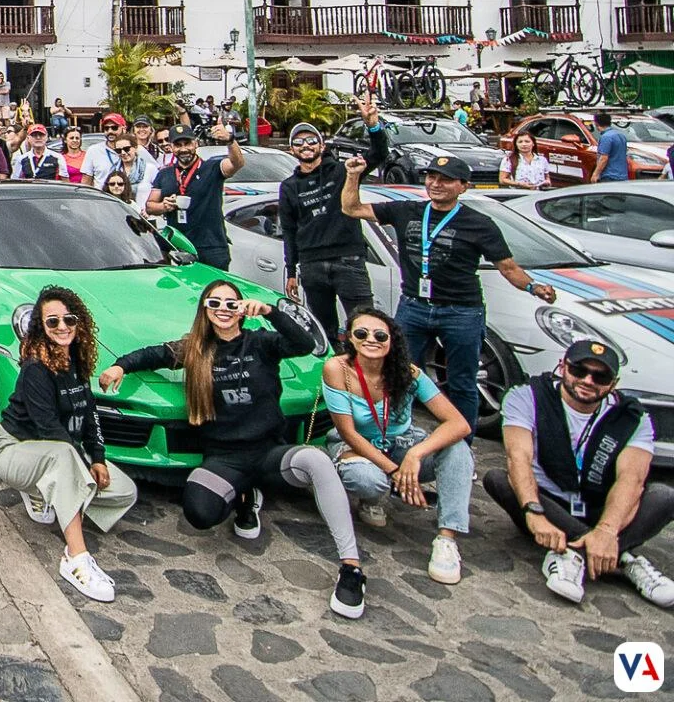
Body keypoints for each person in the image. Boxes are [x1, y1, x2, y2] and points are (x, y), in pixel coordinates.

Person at [99, 281, 366, 618]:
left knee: (316, 459)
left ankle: (351, 567)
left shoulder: (261, 343)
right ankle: (244, 497)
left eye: (230, 303)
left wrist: (271, 312)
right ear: (205, 310)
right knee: (199, 513)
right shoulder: (196, 349)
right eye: (215, 303)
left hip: (270, 451)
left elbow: (303, 343)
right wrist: (119, 366)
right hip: (225, 458)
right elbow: (153, 354)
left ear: (241, 308)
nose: (223, 309)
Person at [340, 153, 557, 432]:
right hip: (414, 306)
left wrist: (533, 286)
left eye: (446, 180)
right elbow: (351, 208)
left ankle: (461, 447)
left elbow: (508, 267)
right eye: (432, 177)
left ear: (463, 186)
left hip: (461, 311)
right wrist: (353, 175)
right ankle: (397, 436)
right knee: (399, 375)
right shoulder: (407, 210)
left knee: (462, 383)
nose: (436, 184)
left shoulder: (479, 224)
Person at [485, 338, 674, 608]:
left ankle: (571, 555)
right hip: (548, 504)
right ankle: (624, 559)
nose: (588, 380)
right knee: (499, 480)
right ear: (563, 367)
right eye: (579, 370)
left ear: (613, 383)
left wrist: (607, 531)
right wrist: (533, 511)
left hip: (602, 508)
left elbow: (631, 479)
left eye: (600, 376)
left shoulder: (632, 416)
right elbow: (519, 457)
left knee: (664, 496)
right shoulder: (527, 395)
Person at [0, 288, 137, 602]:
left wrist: (97, 459)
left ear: (79, 322)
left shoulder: (77, 362)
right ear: (41, 327)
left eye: (68, 319)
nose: (61, 326)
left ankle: (47, 493)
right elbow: (50, 430)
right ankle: (75, 558)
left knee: (124, 490)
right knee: (64, 457)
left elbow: (89, 414)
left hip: (56, 453)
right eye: (51, 321)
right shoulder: (36, 370)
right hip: (14, 448)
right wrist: (81, 470)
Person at [320, 307, 474, 583]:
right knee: (368, 480)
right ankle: (373, 497)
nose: (371, 339)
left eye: (381, 335)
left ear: (392, 341)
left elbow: (458, 423)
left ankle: (447, 538)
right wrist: (395, 473)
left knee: (458, 447)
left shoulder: (409, 373)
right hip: (358, 445)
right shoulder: (337, 368)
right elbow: (348, 432)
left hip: (403, 443)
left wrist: (416, 454)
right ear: (350, 339)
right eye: (361, 333)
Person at [278, 101, 385, 338]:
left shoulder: (342, 171)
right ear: (292, 150)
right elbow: (289, 229)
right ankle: (333, 373)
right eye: (298, 142)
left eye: (311, 140)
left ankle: (362, 373)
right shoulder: (288, 187)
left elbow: (378, 155)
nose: (305, 146)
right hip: (312, 265)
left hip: (348, 260)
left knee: (364, 325)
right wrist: (291, 271)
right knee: (323, 331)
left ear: (321, 145)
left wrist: (373, 126)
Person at [146, 123, 244, 269]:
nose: (184, 149)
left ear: (196, 144)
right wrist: (163, 206)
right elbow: (150, 206)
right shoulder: (164, 174)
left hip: (211, 246)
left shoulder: (211, 167)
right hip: (179, 245)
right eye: (178, 145)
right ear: (172, 147)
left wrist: (230, 140)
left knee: (214, 289)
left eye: (188, 143)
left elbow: (237, 163)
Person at [592, 111, 631, 182]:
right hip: (622, 176)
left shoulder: (606, 137)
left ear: (596, 123)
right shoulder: (621, 135)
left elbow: (603, 158)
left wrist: (595, 174)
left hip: (609, 176)